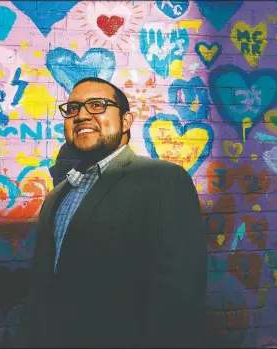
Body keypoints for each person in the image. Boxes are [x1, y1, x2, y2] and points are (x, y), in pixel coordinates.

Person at [14, 77, 207, 348]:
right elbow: (42, 289)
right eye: (72, 109)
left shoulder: (161, 180)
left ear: (126, 121)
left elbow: (179, 294)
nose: (81, 115)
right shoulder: (59, 195)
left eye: (97, 105)